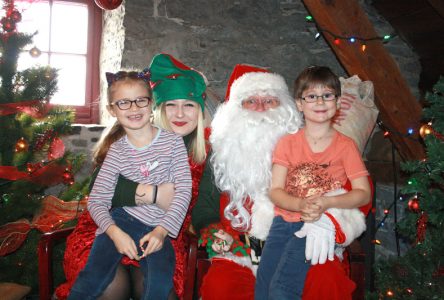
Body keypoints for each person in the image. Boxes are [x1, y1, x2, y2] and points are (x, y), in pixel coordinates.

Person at [195, 64, 371, 300]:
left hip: (304, 242)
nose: (261, 109)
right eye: (251, 101)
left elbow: (359, 196)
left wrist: (330, 220)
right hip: (241, 252)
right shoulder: (222, 153)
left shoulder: (318, 143)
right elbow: (204, 207)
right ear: (235, 109)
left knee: (325, 281)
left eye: (270, 101)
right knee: (220, 287)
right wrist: (213, 231)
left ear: (287, 107)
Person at [56, 53, 215, 300]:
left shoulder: (203, 153)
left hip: (163, 233)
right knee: (109, 285)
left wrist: (211, 228)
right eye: (171, 104)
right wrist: (154, 194)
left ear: (200, 110)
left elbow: (205, 205)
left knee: (155, 287)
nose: (180, 114)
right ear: (157, 107)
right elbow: (100, 193)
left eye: (189, 105)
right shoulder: (124, 142)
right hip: (111, 225)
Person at [255, 65, 371, 299]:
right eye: (311, 96)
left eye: (327, 95)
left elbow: (363, 193)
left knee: (283, 289)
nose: (320, 101)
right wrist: (299, 205)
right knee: (263, 286)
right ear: (299, 103)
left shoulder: (346, 146)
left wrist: (327, 203)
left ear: (337, 102)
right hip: (282, 224)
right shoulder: (287, 143)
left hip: (315, 227)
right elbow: (275, 190)